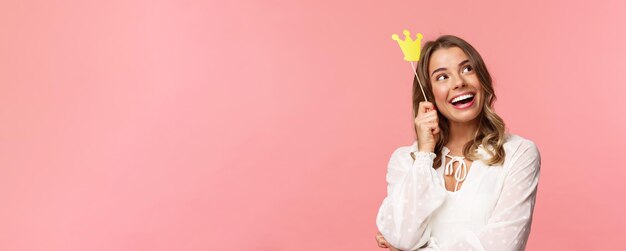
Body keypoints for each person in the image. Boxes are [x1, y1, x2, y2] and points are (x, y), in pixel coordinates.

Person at [374, 35, 541, 250]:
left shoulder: (519, 153)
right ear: (429, 94)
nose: (459, 82)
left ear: (482, 79)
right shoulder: (405, 160)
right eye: (442, 77)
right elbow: (401, 237)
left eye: (467, 69)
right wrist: (425, 153)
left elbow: (501, 246)